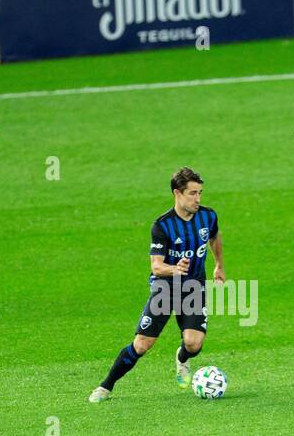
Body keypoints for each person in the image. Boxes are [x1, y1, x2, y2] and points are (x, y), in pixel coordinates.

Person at [90, 168, 225, 402]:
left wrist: (219, 265)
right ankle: (105, 386)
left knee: (194, 344)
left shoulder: (208, 216)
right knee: (142, 345)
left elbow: (215, 236)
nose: (198, 199)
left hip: (193, 286)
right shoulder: (162, 226)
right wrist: (176, 269)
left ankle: (182, 358)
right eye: (192, 193)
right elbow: (156, 266)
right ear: (177, 193)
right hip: (166, 288)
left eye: (200, 193)